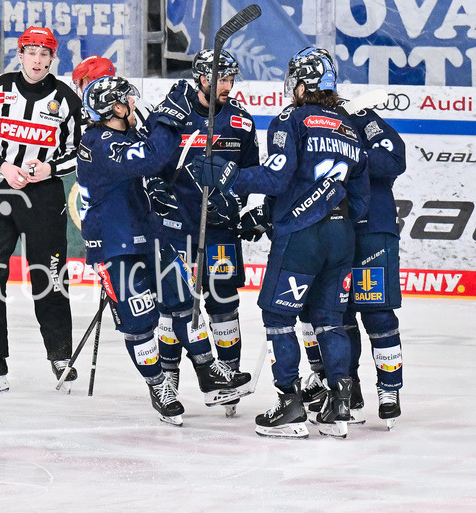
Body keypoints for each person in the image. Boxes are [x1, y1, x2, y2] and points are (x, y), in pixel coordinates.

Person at [191, 46, 370, 439]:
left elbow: (275, 178)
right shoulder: (348, 126)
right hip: (342, 237)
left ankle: (290, 405)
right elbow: (360, 200)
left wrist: (228, 174)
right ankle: (339, 406)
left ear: (303, 86)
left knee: (277, 316)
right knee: (330, 319)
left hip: (303, 237)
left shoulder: (292, 118)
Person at [76, 76, 252, 425]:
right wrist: (169, 116)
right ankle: (159, 387)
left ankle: (207, 371)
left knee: (183, 304)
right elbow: (150, 157)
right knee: (140, 322)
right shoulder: (98, 142)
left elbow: (157, 164)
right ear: (115, 107)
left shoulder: (124, 136)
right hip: (115, 246)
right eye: (126, 99)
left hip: (150, 236)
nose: (132, 104)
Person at [0, 25, 82, 394]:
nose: (38, 60)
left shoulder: (66, 100)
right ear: (21, 54)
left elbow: (78, 149)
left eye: (45, 54)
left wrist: (50, 168)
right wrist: (3, 167)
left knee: (50, 277)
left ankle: (60, 355)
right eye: (32, 53)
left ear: (52, 58)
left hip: (43, 197)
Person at [148, 49, 259, 410]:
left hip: (220, 231)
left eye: (230, 79)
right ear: (201, 79)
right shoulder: (172, 117)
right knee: (173, 306)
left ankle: (227, 377)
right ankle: (168, 378)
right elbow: (151, 166)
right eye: (220, 79)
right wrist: (157, 190)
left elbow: (252, 175)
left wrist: (239, 204)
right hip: (176, 228)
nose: (227, 86)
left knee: (224, 303)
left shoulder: (241, 122)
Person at [300, 101, 407, 429]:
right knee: (337, 315)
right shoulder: (308, 123)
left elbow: (393, 158)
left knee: (377, 312)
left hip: (372, 230)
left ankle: (389, 391)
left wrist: (349, 153)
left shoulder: (362, 118)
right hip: (331, 232)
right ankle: (349, 389)